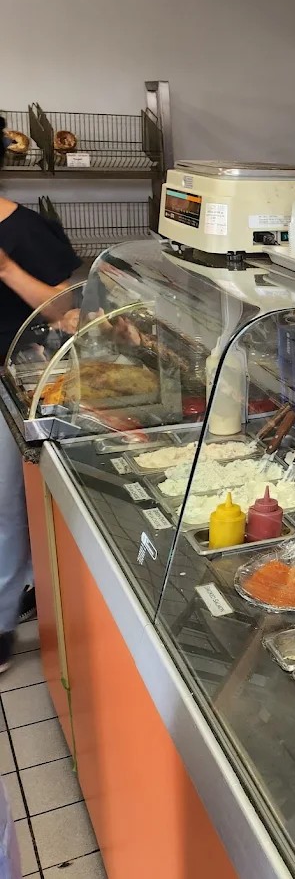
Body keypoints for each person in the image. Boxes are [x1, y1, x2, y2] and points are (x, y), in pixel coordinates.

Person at [0, 118, 81, 669]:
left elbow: (67, 309)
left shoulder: (24, 230)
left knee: (6, 508)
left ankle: (2, 623)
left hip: (15, 383)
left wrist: (4, 269)